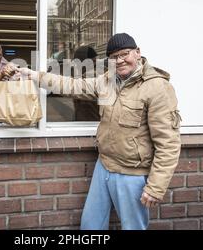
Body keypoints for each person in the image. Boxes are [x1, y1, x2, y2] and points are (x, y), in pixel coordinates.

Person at [19, 33, 182, 230]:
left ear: (137, 53)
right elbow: (72, 85)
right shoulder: (108, 81)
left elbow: (168, 143)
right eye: (113, 57)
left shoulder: (157, 87)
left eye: (125, 54)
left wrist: (156, 187)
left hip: (132, 174)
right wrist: (35, 76)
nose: (120, 60)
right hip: (103, 166)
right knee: (90, 225)